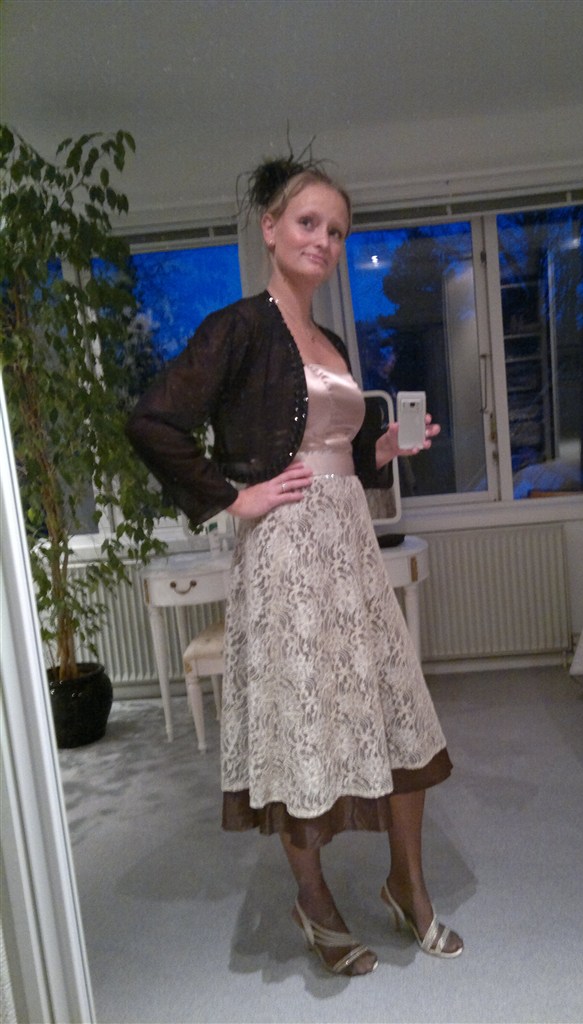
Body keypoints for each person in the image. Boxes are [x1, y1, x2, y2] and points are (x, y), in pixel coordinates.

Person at [126, 154, 463, 977]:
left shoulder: (333, 341)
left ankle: (407, 886)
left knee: (399, 712)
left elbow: (339, 448)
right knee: (299, 727)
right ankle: (314, 902)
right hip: (284, 556)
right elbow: (153, 422)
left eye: (337, 231)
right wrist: (231, 497)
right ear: (271, 228)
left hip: (350, 546)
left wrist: (384, 448)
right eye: (309, 222)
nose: (324, 240)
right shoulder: (237, 328)